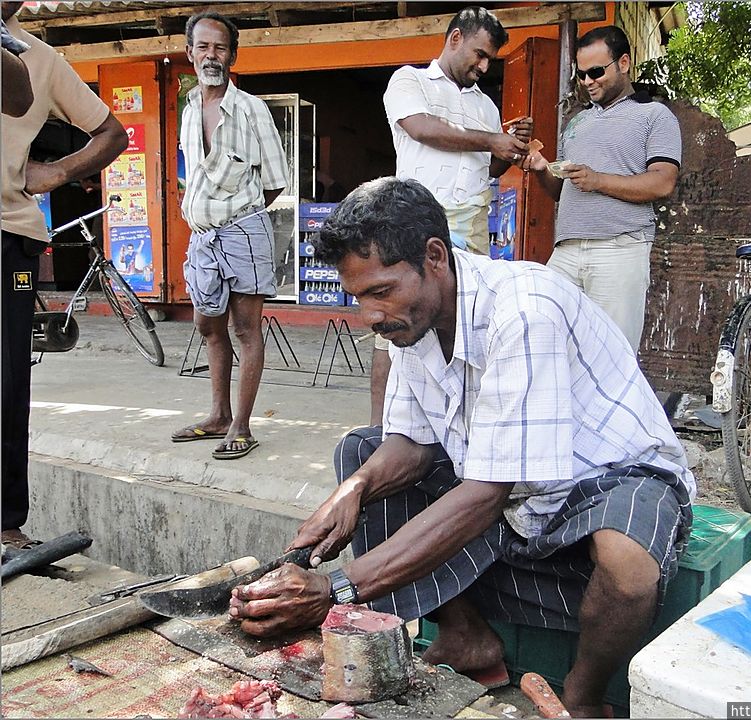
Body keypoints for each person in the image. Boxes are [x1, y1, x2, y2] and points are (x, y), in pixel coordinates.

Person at [228, 177, 696, 718]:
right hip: (509, 484)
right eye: (359, 298)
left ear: (434, 257)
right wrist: (352, 492)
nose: (370, 315)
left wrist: (336, 588)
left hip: (604, 474)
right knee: (362, 453)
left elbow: (486, 493)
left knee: (628, 563)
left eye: (381, 292)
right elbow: (411, 445)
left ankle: (585, 697)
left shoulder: (524, 310)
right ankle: (466, 635)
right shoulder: (412, 319)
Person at [1, 0, 128, 549]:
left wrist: (57, 171)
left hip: (7, 233)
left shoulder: (37, 57)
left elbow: (111, 133)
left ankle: (5, 525)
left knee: (6, 380)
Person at [372, 5, 533, 424]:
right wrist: (491, 139)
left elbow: (490, 169)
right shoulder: (410, 81)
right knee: (396, 326)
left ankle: (460, 425)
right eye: (479, 54)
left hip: (472, 225)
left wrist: (509, 146)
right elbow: (422, 128)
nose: (484, 66)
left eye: (490, 60)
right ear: (455, 38)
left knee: (467, 327)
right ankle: (382, 431)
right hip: (415, 224)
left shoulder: (486, 107)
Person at [170, 12, 288, 460]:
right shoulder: (188, 111)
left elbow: (275, 182)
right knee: (208, 325)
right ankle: (218, 415)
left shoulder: (252, 109)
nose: (211, 56)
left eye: (220, 48)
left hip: (243, 230)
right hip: (202, 237)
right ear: (190, 53)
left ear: (232, 56)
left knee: (245, 328)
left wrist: (239, 212)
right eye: (203, 47)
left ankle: (241, 424)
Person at [524, 26, 681, 353]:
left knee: (613, 356)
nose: (587, 81)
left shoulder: (655, 115)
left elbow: (663, 182)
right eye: (581, 75)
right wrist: (542, 170)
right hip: (566, 250)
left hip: (619, 247)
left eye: (596, 72)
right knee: (543, 342)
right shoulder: (577, 122)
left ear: (623, 63)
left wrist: (598, 180)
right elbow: (561, 191)